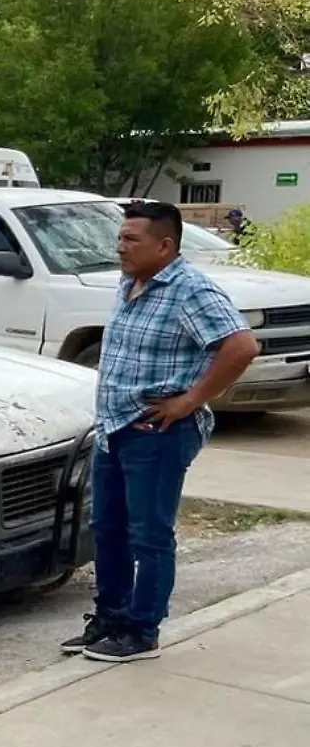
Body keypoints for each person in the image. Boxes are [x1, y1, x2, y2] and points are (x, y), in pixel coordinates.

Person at [61, 202, 260, 663]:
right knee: (107, 528)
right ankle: (109, 618)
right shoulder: (129, 282)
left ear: (165, 245)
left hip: (157, 434)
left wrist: (191, 400)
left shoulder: (190, 290)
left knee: (149, 534)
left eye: (132, 240)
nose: (120, 247)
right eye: (121, 237)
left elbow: (241, 345)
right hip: (115, 429)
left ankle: (141, 630)